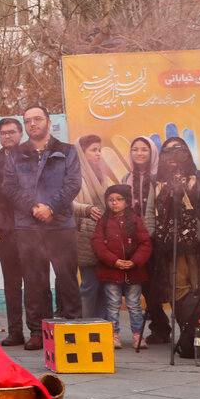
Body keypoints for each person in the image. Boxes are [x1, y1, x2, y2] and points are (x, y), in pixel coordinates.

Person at [3, 105, 82, 351]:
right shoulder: (16, 154)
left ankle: (73, 328)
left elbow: (73, 184)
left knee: (67, 279)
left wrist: (51, 207)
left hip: (60, 224)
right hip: (28, 226)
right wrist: (34, 207)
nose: (33, 124)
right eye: (28, 121)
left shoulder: (67, 151)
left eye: (37, 119)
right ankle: (39, 331)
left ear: (49, 122)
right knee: (35, 282)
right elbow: (9, 187)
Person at [145, 137, 200, 304]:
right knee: (178, 288)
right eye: (168, 150)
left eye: (177, 149)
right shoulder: (156, 182)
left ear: (186, 153)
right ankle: (185, 324)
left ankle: (199, 326)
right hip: (169, 246)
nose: (173, 154)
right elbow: (149, 211)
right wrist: (153, 236)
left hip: (198, 243)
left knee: (199, 284)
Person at [91, 184, 152, 349]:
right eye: (110, 200)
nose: (114, 203)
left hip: (134, 272)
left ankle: (138, 335)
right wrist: (114, 261)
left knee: (134, 304)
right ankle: (113, 334)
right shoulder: (103, 222)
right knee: (112, 303)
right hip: (111, 271)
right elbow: (97, 245)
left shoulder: (135, 220)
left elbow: (145, 243)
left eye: (119, 199)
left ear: (127, 202)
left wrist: (134, 261)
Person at [121, 136, 169, 343]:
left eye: (144, 150)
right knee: (147, 285)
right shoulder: (126, 178)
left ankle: (186, 326)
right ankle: (159, 327)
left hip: (160, 239)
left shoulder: (160, 177)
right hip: (137, 241)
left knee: (168, 282)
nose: (139, 153)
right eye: (135, 149)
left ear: (152, 153)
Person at [0, 118, 30, 346]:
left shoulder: (32, 158)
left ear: (21, 133)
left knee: (35, 283)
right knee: (12, 285)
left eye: (12, 132)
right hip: (6, 232)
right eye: (3, 133)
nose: (8, 136)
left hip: (31, 230)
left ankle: (37, 330)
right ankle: (15, 331)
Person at [73, 135, 110, 318]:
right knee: (89, 284)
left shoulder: (101, 174)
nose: (98, 154)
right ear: (82, 152)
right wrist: (86, 210)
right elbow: (67, 203)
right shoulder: (74, 174)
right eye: (93, 150)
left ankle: (102, 327)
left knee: (103, 285)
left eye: (99, 150)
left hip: (102, 236)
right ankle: (86, 325)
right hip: (84, 236)